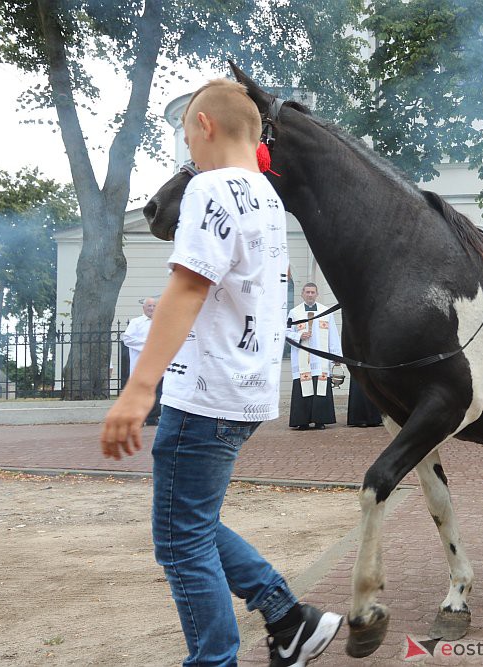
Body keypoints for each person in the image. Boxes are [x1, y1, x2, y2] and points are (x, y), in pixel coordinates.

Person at [99, 78, 342, 667]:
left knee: (180, 540)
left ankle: (217, 658)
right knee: (192, 523)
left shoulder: (212, 188)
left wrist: (137, 389)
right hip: (246, 393)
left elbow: (188, 286)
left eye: (187, 137)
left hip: (204, 395)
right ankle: (288, 619)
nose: (188, 151)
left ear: (204, 125)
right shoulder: (264, 195)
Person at [287, 283, 342, 430]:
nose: (310, 295)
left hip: (320, 360)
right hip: (302, 358)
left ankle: (320, 420)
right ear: (302, 294)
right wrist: (299, 335)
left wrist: (336, 355)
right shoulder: (294, 313)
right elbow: (285, 333)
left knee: (321, 389)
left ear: (317, 294)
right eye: (307, 292)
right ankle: (302, 421)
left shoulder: (326, 312)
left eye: (313, 292)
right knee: (303, 388)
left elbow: (333, 335)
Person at [121, 297, 162, 426]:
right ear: (143, 308)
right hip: (140, 364)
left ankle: (153, 417)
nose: (151, 308)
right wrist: (147, 345)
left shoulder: (161, 322)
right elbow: (127, 339)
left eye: (154, 306)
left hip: (157, 364)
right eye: (149, 306)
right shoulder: (136, 322)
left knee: (156, 391)